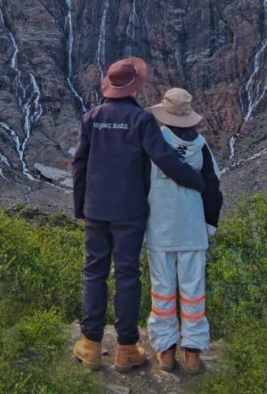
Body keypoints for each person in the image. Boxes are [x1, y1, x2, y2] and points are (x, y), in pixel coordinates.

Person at [71, 56, 207, 373]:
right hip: (129, 212)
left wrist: (81, 207)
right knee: (127, 275)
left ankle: (90, 345)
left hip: (95, 208)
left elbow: (79, 164)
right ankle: (127, 348)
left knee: (94, 271)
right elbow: (166, 160)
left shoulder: (92, 117)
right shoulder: (141, 120)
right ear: (136, 87)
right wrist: (198, 183)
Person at [144, 87, 222, 374]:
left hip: (160, 230)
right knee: (193, 292)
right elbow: (213, 188)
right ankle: (192, 353)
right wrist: (210, 225)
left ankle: (165, 351)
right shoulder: (201, 146)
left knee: (162, 292)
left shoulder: (154, 142)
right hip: (192, 230)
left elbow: (140, 182)